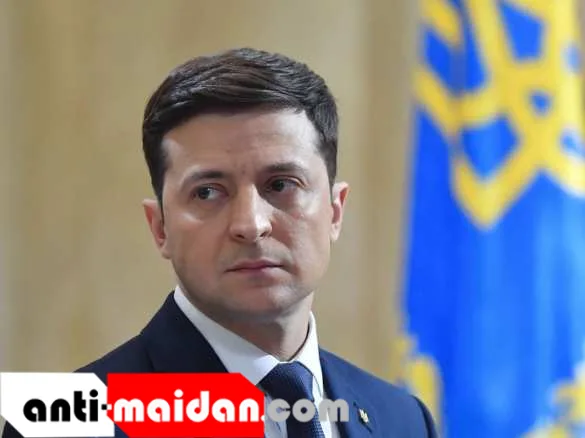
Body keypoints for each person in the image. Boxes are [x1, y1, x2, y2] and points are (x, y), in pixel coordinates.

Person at [2, 47, 436, 438]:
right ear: (160, 227)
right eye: (208, 192)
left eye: (281, 184)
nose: (251, 224)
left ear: (335, 211)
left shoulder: (403, 419)